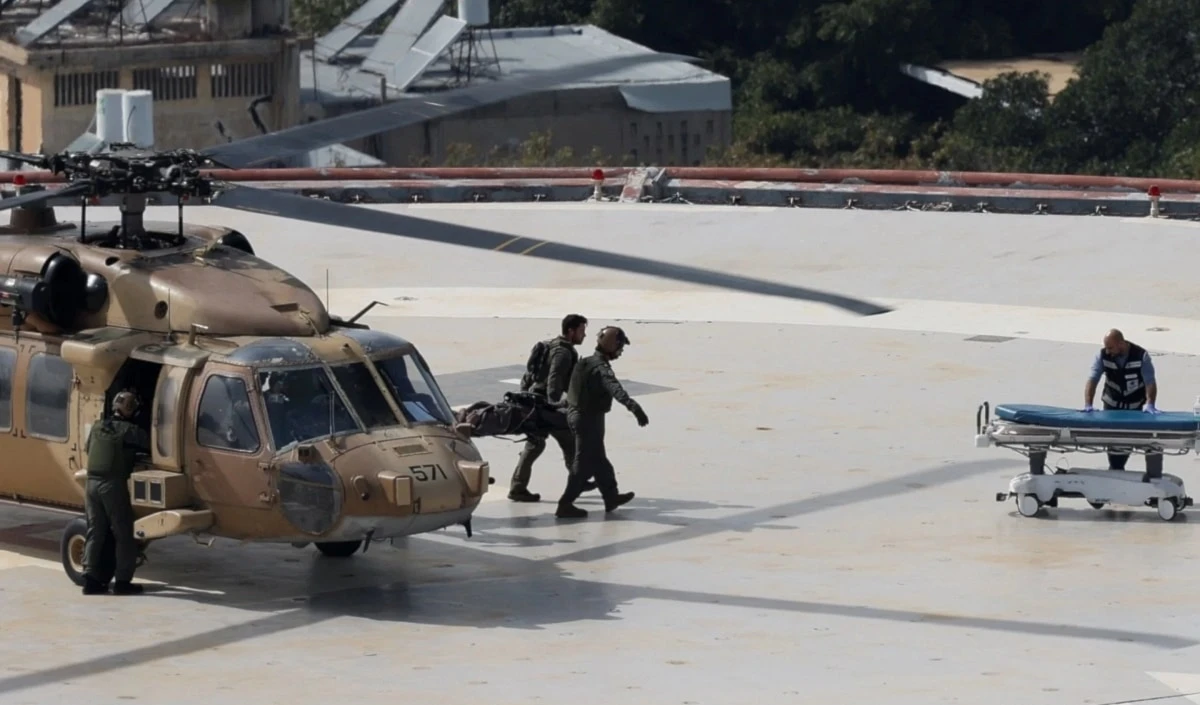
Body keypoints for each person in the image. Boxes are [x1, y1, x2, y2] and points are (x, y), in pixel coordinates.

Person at [555, 325, 649, 519]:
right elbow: (615, 388)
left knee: (600, 462)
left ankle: (611, 497)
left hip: (578, 415)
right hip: (588, 419)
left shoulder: (585, 362)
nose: (621, 351)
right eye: (620, 347)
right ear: (611, 345)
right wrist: (633, 407)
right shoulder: (600, 368)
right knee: (582, 465)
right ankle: (565, 504)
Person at [508, 313, 592, 502]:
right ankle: (518, 489)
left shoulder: (553, 345)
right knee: (561, 440)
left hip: (535, 402)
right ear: (571, 331)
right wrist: (556, 406)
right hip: (543, 406)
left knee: (540, 443)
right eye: (581, 331)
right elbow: (554, 380)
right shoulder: (562, 352)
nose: (584, 335)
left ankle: (519, 487)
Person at [81, 390, 150, 595]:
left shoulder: (97, 427)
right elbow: (150, 443)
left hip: (91, 484)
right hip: (112, 485)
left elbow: (88, 449)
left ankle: (90, 579)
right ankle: (122, 581)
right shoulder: (129, 430)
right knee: (124, 534)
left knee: (95, 531)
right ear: (131, 410)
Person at [1083, 328, 1158, 472]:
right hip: (1111, 406)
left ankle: (1117, 468)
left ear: (1121, 344)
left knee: (1126, 442)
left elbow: (1150, 382)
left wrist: (1150, 404)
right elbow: (1092, 380)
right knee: (1114, 444)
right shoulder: (1102, 355)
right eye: (1106, 347)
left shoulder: (1141, 356)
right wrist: (1088, 404)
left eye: (1110, 347)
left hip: (1133, 407)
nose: (1108, 351)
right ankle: (1116, 468)